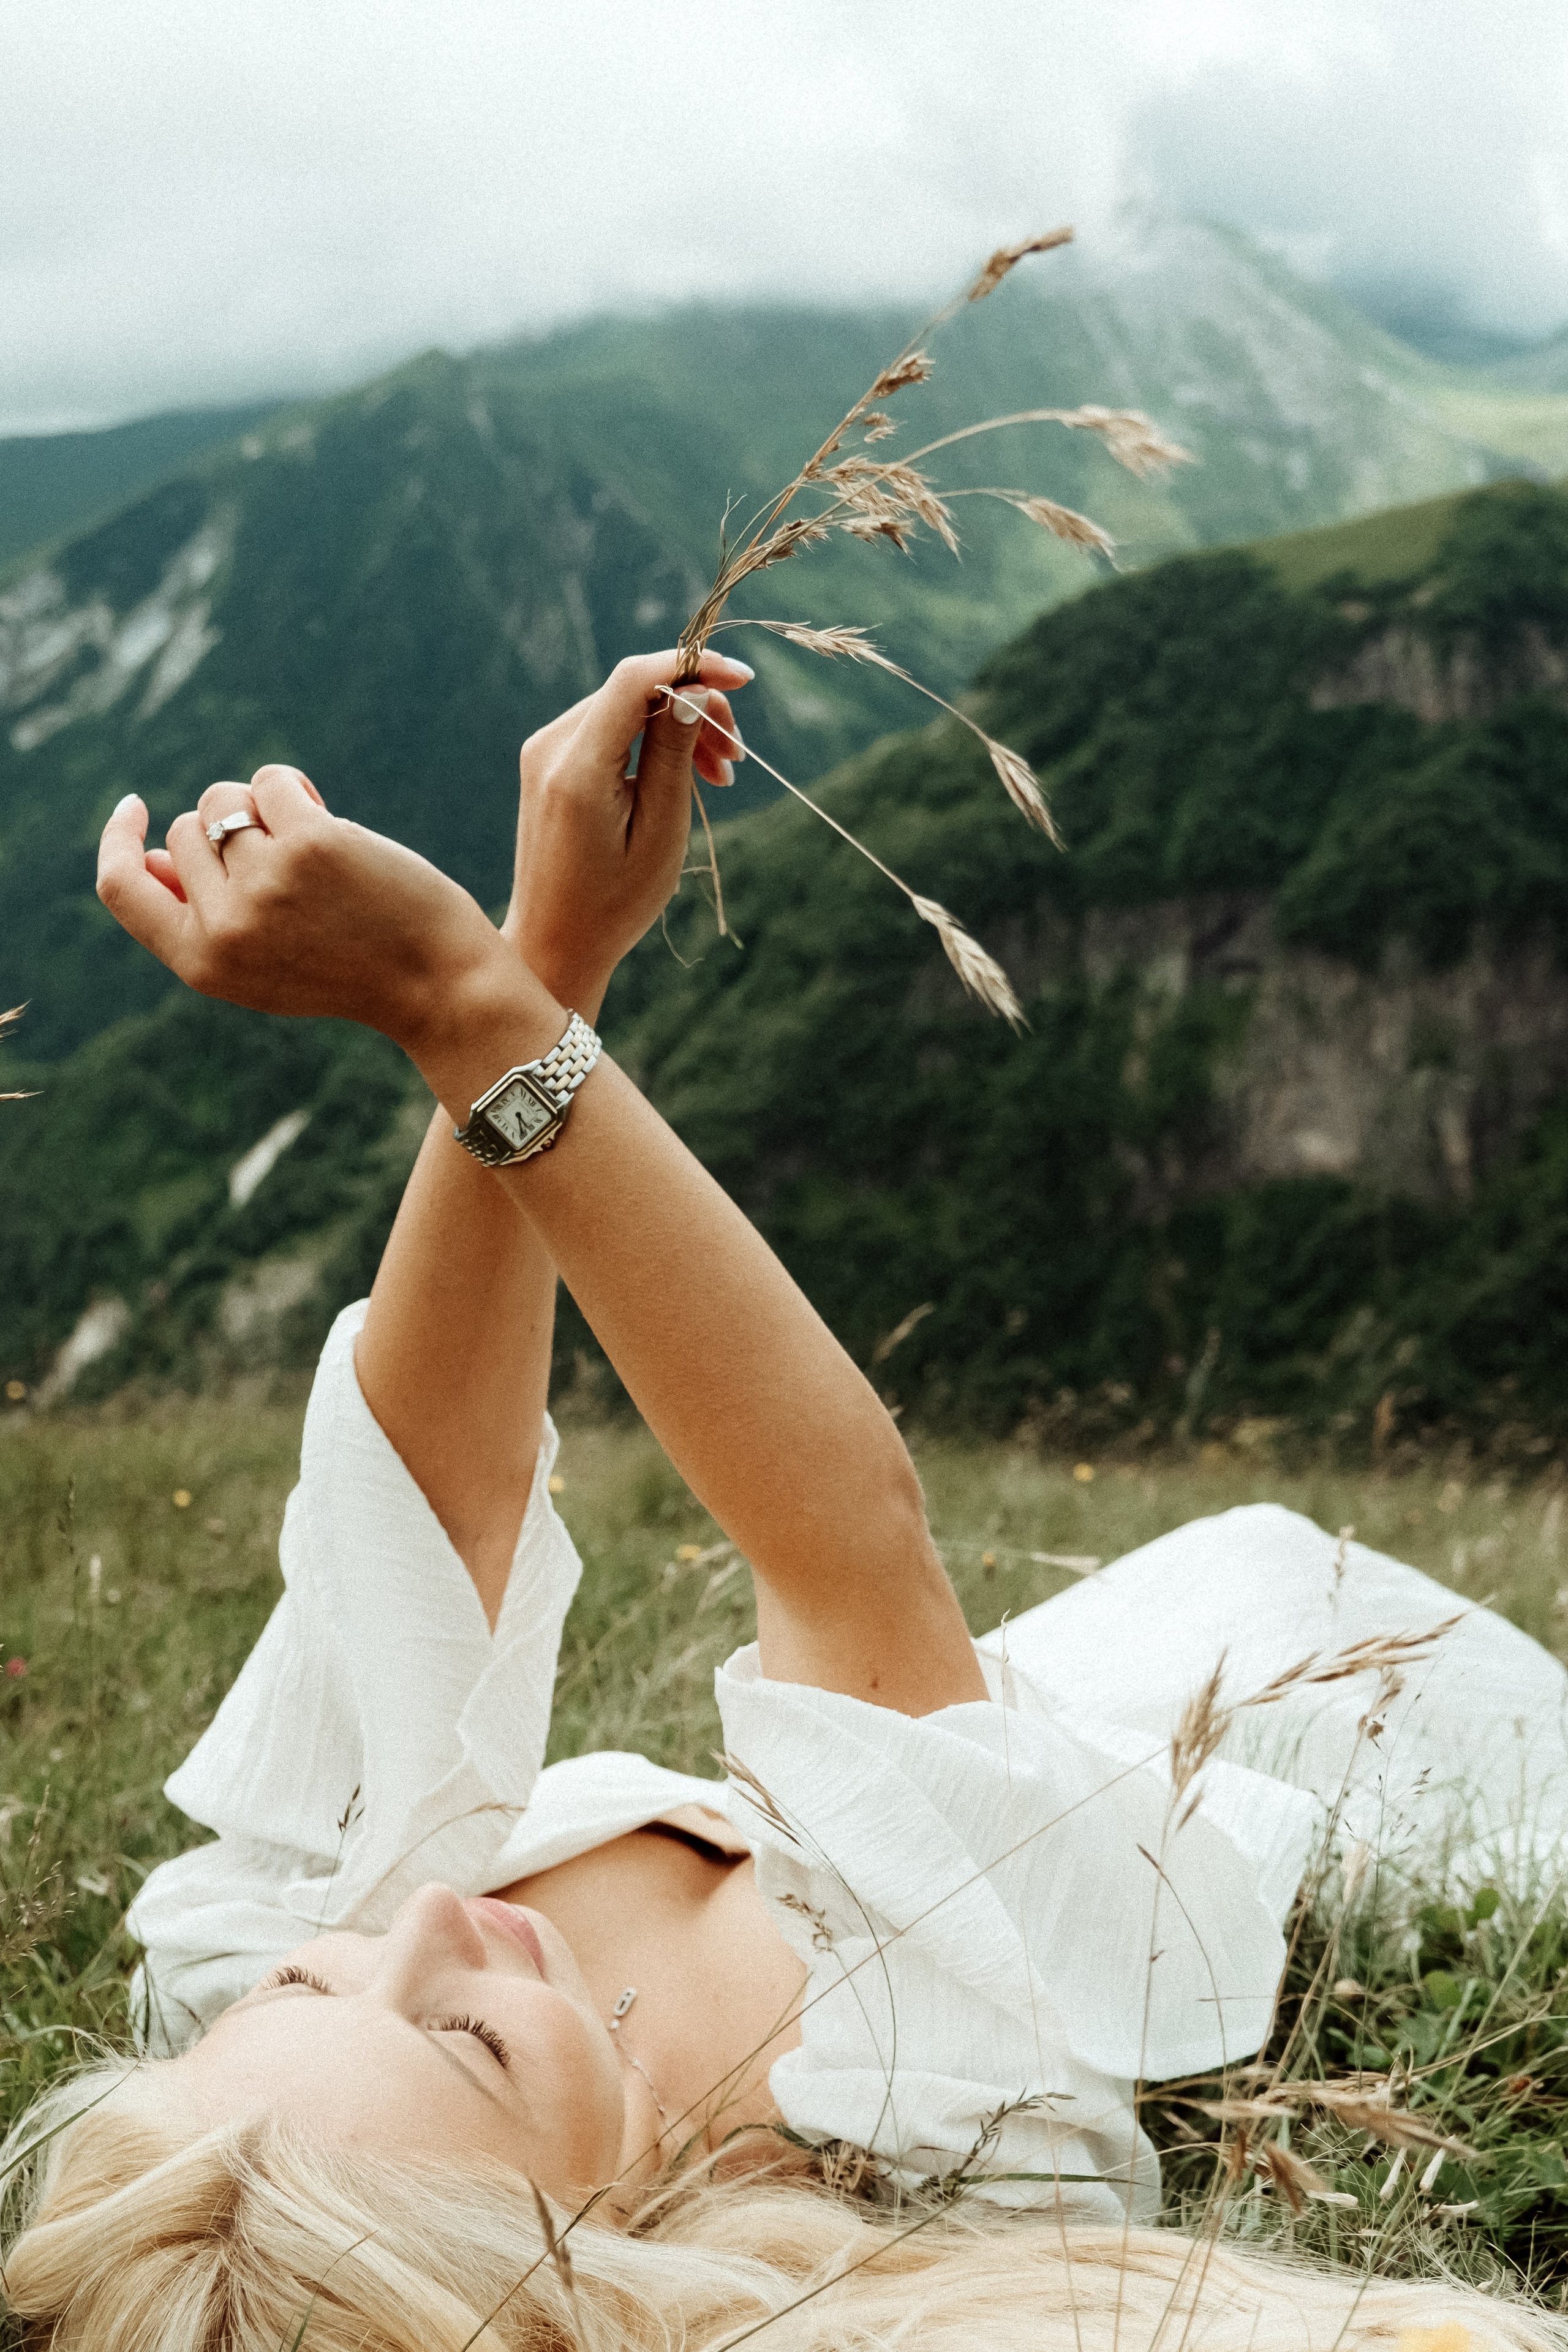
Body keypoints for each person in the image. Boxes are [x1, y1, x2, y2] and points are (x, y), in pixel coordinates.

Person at [4, 653, 1567, 2352]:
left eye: (322, 1980)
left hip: (1144, 1618)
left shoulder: (245, 2058)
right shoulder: (908, 2146)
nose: (423, 1931)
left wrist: (548, 955)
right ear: (586, 2266)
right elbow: (849, 1554)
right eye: (469, 2039)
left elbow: (420, 1528)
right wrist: (461, 1002)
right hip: (1381, 1748)